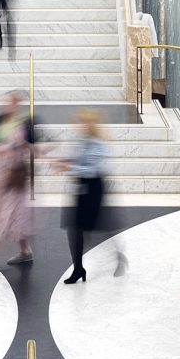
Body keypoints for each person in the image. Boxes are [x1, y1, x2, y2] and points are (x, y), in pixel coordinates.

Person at [55, 109, 127, 284]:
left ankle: (118, 256)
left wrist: (70, 168)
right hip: (81, 188)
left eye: (85, 122)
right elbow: (78, 161)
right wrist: (66, 162)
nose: (81, 125)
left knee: (97, 230)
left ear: (92, 125)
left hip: (94, 189)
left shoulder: (98, 144)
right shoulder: (83, 141)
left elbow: (93, 169)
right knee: (74, 229)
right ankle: (78, 268)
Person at [0, 92, 35, 267]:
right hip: (0, 176)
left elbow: (35, 146)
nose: (8, 106)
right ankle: (25, 250)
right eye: (6, 102)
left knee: (9, 213)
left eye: (12, 103)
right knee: (9, 214)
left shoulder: (24, 123)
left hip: (14, 177)